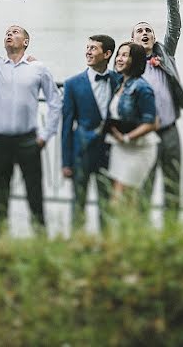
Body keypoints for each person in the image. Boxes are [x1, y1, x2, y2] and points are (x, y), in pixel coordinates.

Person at [0, 0, 62, 235]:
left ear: (26, 41)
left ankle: (41, 238)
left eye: (16, 31)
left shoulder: (38, 69)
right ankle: (2, 241)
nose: (10, 34)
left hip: (29, 140)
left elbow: (55, 101)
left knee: (35, 194)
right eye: (8, 31)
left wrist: (45, 135)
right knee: (0, 195)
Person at [132, 0, 183, 221]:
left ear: (154, 38)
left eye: (149, 31)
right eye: (140, 31)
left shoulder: (165, 54)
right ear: (132, 40)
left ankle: (172, 229)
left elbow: (174, 27)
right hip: (144, 133)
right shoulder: (129, 65)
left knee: (173, 181)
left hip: (169, 130)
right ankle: (142, 233)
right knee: (144, 184)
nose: (145, 33)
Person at [60, 34, 121, 231]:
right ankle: (78, 243)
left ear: (107, 54)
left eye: (93, 48)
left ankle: (108, 245)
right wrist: (66, 162)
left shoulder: (119, 80)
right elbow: (66, 126)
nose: (88, 51)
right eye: (87, 47)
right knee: (78, 203)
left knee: (107, 204)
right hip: (81, 152)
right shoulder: (72, 84)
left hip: (110, 153)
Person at [105, 42, 159, 204]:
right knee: (118, 198)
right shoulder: (120, 82)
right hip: (120, 148)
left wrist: (127, 137)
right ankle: (127, 229)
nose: (119, 59)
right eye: (118, 55)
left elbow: (152, 123)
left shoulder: (142, 88)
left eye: (125, 55)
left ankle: (132, 228)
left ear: (135, 60)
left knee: (123, 200)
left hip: (139, 148)